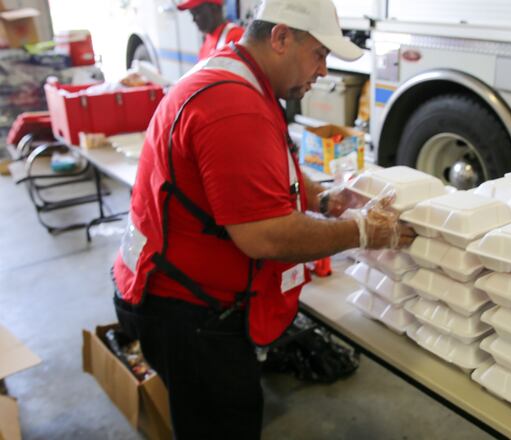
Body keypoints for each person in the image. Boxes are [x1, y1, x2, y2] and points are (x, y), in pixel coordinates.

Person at [111, 0, 414, 438]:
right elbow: (265, 237)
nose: (324, 70)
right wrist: (361, 231)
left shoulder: (237, 74)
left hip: (178, 293)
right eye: (319, 54)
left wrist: (323, 199)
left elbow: (263, 169)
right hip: (188, 311)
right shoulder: (233, 105)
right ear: (281, 37)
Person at [177, 0, 244, 60]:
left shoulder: (236, 37)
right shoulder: (206, 43)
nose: (193, 19)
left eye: (197, 13)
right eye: (192, 14)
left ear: (214, 8)